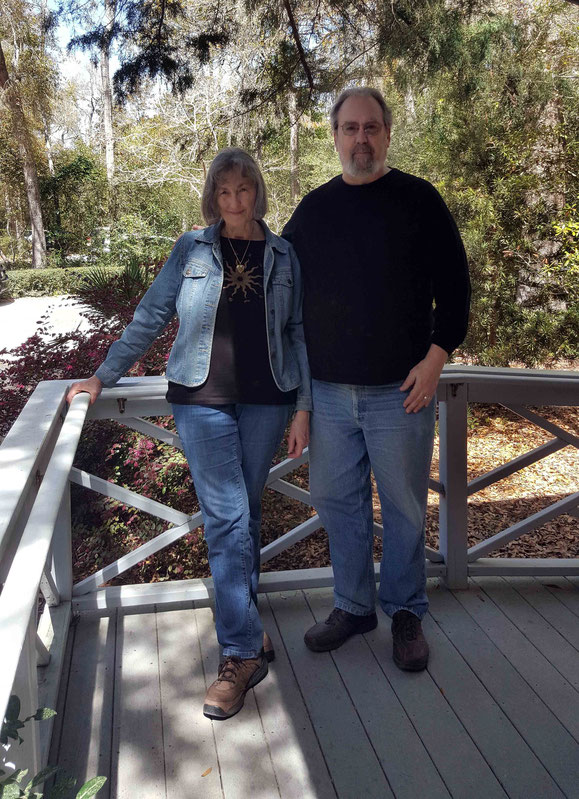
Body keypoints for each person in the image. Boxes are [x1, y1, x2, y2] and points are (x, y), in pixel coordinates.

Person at [67, 147, 311, 718]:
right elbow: (150, 316)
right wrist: (103, 375)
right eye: (223, 192)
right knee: (227, 518)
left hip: (268, 399)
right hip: (200, 398)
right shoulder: (191, 249)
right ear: (213, 197)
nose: (234, 202)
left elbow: (297, 333)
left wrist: (303, 408)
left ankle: (246, 631)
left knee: (244, 512)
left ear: (258, 192)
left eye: (243, 190)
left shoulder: (284, 256)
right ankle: (241, 652)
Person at [283, 87, 470, 671]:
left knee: (406, 508)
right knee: (337, 503)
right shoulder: (313, 211)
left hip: (402, 394)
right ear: (334, 136)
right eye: (349, 128)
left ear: (387, 134)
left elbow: (457, 289)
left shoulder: (420, 200)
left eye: (371, 127)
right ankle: (354, 605)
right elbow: (276, 289)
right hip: (331, 394)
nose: (360, 139)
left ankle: (406, 610)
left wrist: (436, 358)